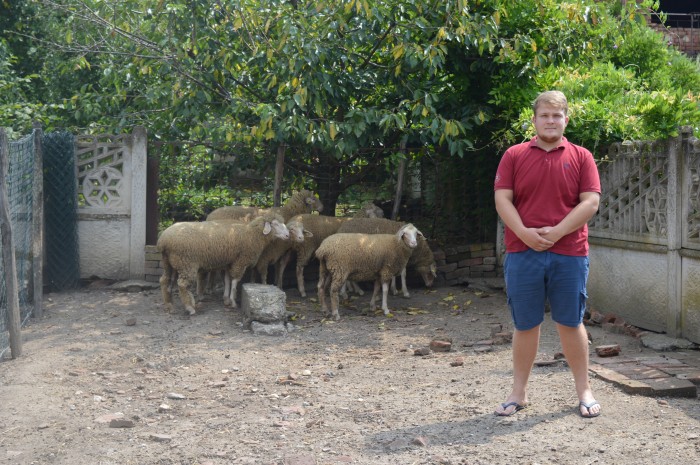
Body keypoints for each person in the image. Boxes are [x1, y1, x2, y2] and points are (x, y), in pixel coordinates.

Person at [493, 90, 602, 418]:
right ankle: (519, 392)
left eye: (557, 115)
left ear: (566, 119)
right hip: (521, 252)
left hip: (569, 252)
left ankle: (584, 391)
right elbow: (502, 199)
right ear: (534, 120)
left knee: (570, 322)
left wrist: (556, 233)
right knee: (526, 324)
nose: (551, 120)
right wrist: (525, 233)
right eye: (545, 115)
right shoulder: (513, 155)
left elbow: (591, 203)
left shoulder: (582, 157)